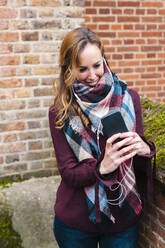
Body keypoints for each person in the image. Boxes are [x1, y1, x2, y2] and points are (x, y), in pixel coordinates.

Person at [49, 27, 155, 248]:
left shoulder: (128, 98)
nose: (93, 75)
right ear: (68, 69)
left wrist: (144, 149)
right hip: (76, 223)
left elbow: (138, 158)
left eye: (97, 65)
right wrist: (101, 167)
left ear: (104, 60)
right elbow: (69, 172)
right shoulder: (60, 111)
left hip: (122, 218)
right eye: (82, 69)